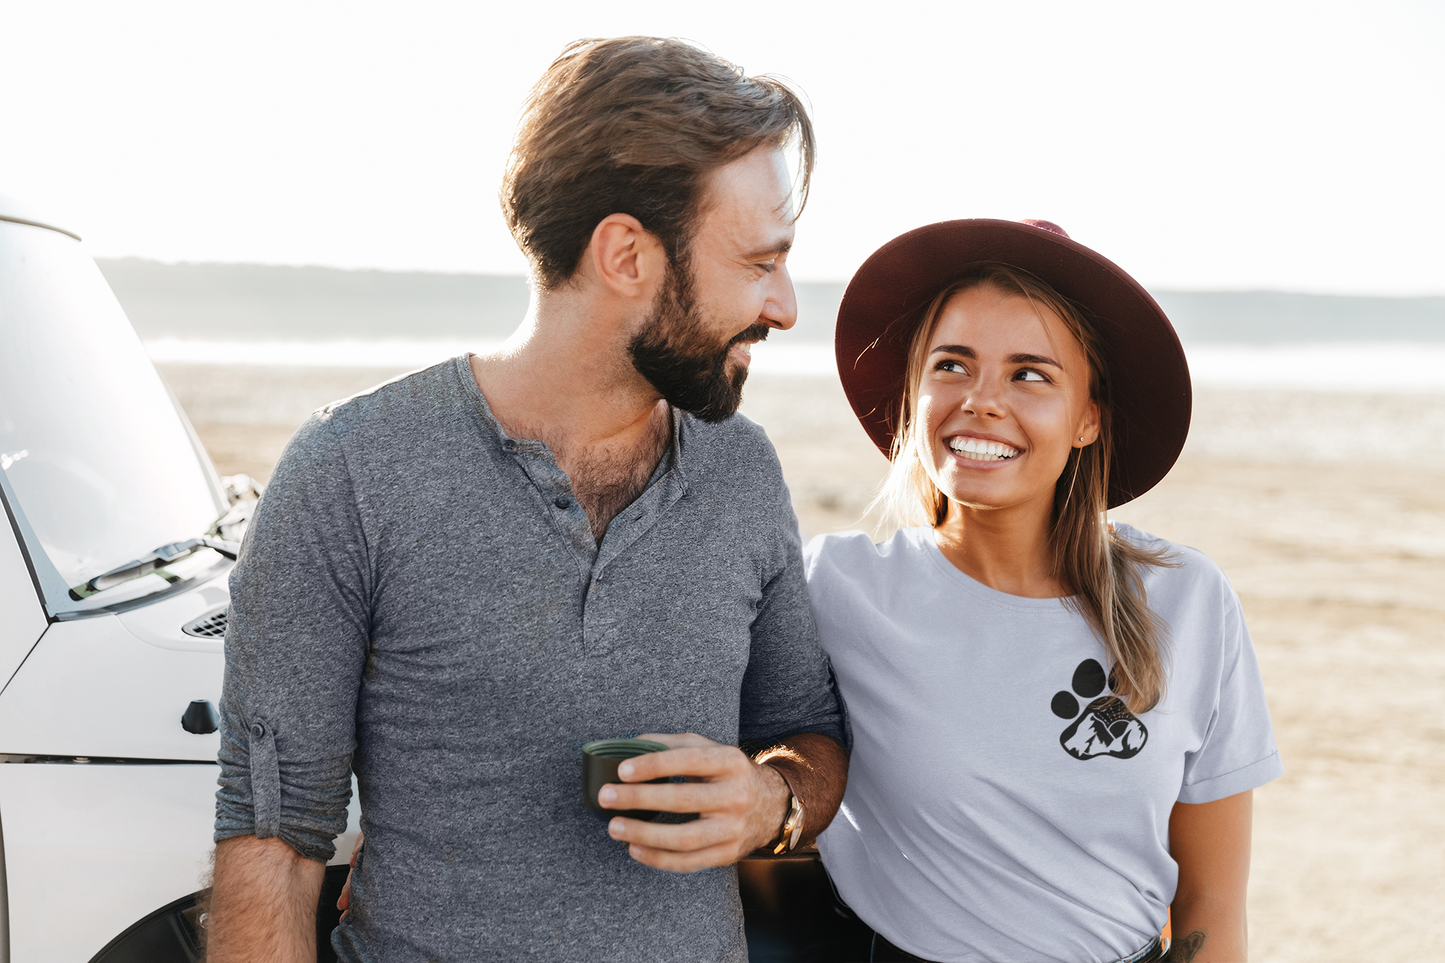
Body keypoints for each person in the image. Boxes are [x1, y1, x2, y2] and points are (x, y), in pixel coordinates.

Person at [205, 37, 848, 963]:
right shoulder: (350, 468)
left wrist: (769, 799)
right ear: (626, 253)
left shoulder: (743, 470)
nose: (785, 306)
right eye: (757, 262)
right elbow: (271, 836)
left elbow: (808, 735)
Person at [806, 219, 1282, 963]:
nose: (982, 401)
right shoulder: (835, 588)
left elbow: (1211, 903)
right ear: (912, 392)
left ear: (1087, 418)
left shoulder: (1187, 600)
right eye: (952, 365)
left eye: (1029, 373)